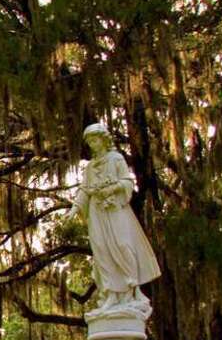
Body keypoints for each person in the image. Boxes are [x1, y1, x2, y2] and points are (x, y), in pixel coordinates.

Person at [66, 123, 161, 312]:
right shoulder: (91, 167)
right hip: (97, 211)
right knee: (101, 249)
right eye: (90, 141)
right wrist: (75, 209)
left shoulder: (116, 159)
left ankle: (132, 289)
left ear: (104, 139)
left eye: (95, 139)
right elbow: (84, 190)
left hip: (115, 207)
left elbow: (127, 181)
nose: (93, 144)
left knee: (122, 244)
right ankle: (111, 292)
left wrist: (112, 188)